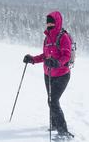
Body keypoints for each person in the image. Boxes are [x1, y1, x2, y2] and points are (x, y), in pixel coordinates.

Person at [23, 11, 74, 139]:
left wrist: (57, 63)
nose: (49, 24)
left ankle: (63, 132)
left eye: (51, 22)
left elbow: (66, 56)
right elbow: (44, 56)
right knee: (51, 100)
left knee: (53, 101)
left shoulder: (63, 37)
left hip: (62, 75)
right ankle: (54, 125)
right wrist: (32, 59)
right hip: (48, 74)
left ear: (57, 22)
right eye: (47, 22)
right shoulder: (47, 38)